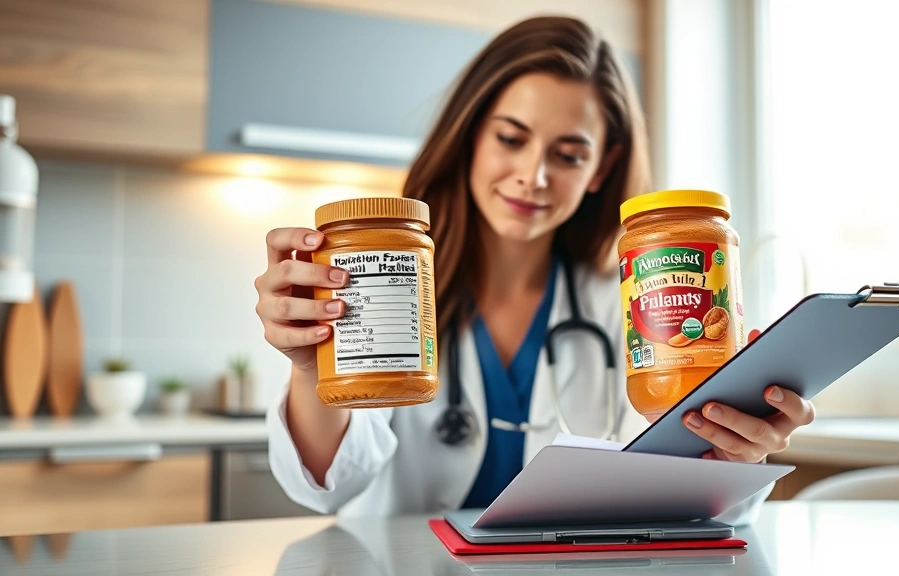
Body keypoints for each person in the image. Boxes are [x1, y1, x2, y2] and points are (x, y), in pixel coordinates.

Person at [255, 16, 815, 526]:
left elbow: (679, 498)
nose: (533, 175)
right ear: (472, 133)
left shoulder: (643, 302)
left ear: (602, 168)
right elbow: (329, 488)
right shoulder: (382, 285)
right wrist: (312, 370)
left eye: (569, 154)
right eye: (511, 138)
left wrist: (734, 448)